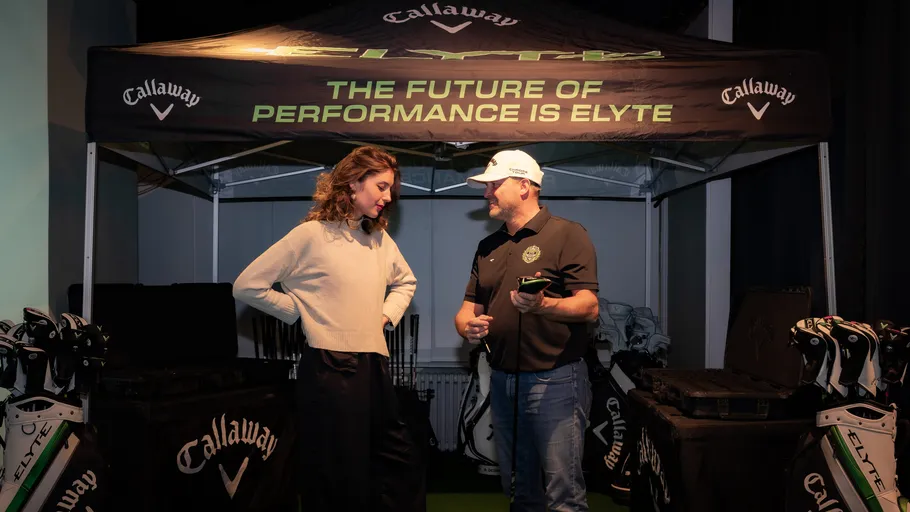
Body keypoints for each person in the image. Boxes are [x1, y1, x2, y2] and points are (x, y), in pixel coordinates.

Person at [232, 145, 423, 512]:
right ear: (353, 183)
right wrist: (300, 312)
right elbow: (247, 285)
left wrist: (385, 316)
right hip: (328, 367)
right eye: (382, 187)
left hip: (374, 366)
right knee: (338, 473)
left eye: (391, 189)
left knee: (397, 463)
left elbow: (406, 282)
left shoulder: (378, 238)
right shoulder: (311, 235)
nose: (388, 197)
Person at [453, 149, 599, 512]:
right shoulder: (488, 246)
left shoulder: (567, 234)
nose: (487, 194)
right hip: (503, 382)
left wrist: (544, 304)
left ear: (524, 186)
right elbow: (467, 310)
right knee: (521, 489)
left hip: (557, 381)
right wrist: (466, 327)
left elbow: (589, 306)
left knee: (562, 493)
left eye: (494, 185)